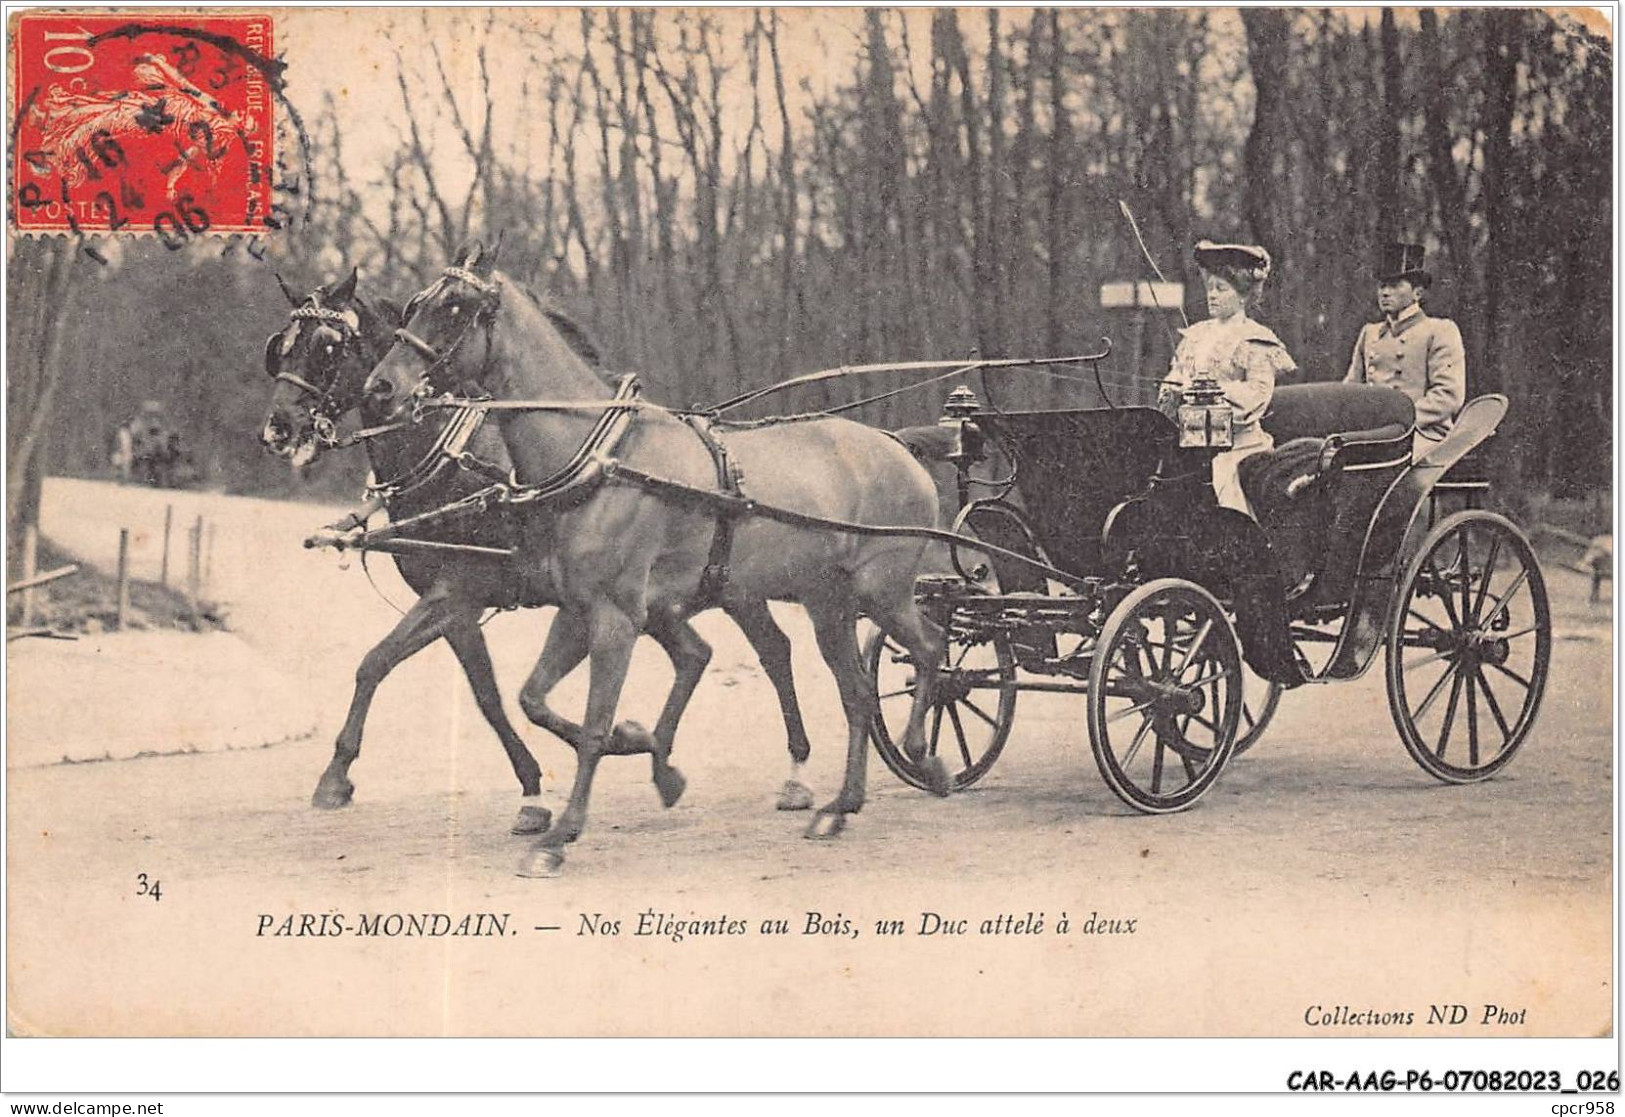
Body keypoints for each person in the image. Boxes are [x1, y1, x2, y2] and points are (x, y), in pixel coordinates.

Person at [1159, 240, 1295, 518]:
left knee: (1223, 484)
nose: (1212, 296)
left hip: (1239, 445)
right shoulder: (1195, 335)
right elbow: (1177, 374)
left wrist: (1210, 391)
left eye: (1221, 289)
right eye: (1210, 288)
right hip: (1191, 439)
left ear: (1242, 296)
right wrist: (1173, 391)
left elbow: (1257, 395)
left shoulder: (1255, 340)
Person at [1343, 243, 1466, 460]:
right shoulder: (1369, 333)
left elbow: (1448, 395)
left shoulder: (1439, 330)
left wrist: (1401, 420)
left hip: (1423, 434)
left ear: (1417, 292)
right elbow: (1350, 390)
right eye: (1382, 285)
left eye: (1395, 284)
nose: (1385, 292)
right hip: (1373, 434)